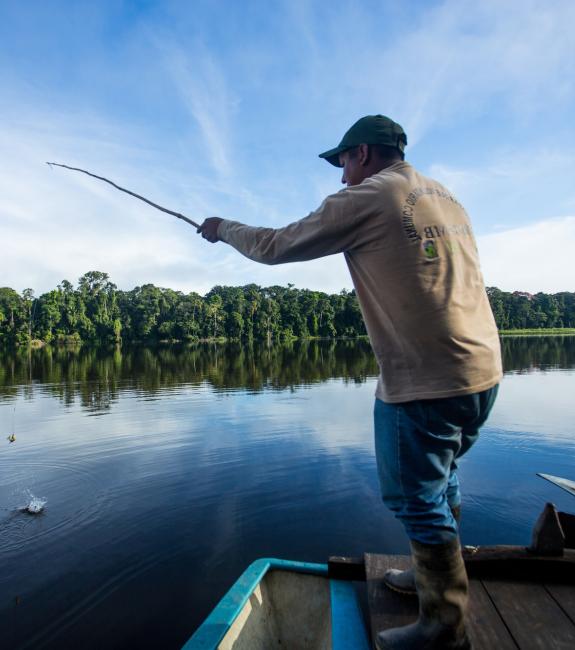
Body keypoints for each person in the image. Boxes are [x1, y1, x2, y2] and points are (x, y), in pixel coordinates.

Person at [198, 114, 502, 650]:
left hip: (424, 382)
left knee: (415, 496)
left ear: (361, 153)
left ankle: (443, 625)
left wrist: (222, 229)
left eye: (342, 164)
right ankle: (429, 576)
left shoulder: (370, 195)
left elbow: (275, 245)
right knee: (443, 479)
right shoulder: (445, 196)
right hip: (482, 372)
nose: (341, 178)